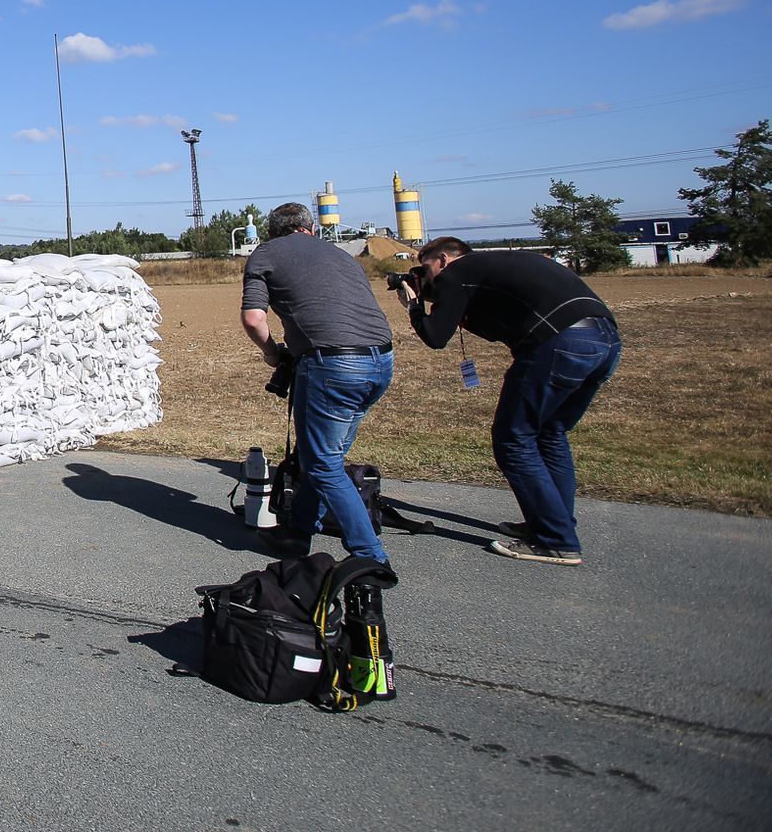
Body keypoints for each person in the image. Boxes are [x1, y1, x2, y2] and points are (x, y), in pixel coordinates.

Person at [396, 237, 620, 566]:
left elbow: (435, 337)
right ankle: (551, 523)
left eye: (426, 267)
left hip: (560, 342)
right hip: (605, 340)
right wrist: (441, 298)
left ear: (443, 260)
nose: (426, 276)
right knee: (550, 433)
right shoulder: (493, 266)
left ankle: (556, 541)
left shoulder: (455, 274)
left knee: (513, 439)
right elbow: (491, 325)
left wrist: (414, 306)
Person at [241, 202, 395, 563]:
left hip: (332, 365)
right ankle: (298, 533)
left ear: (272, 231)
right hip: (380, 360)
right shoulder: (340, 254)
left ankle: (370, 557)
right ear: (310, 228)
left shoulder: (266, 254)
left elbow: (253, 318)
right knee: (321, 455)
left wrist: (273, 354)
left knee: (323, 463)